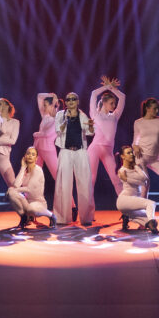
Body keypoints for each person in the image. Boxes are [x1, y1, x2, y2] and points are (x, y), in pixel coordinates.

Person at [54, 92, 95, 225]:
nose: (70, 101)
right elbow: (58, 130)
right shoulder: (60, 115)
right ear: (66, 102)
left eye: (73, 99)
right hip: (66, 151)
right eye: (68, 99)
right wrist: (66, 120)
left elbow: (90, 132)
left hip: (80, 151)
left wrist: (90, 126)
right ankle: (62, 217)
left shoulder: (82, 115)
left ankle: (86, 217)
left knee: (85, 183)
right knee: (63, 184)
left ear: (77, 101)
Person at [88, 76, 126, 196]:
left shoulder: (115, 116)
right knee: (91, 179)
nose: (114, 105)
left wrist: (112, 88)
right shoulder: (95, 114)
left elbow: (122, 97)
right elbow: (94, 94)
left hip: (108, 152)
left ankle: (126, 206)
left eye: (115, 103)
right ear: (103, 102)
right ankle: (87, 207)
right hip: (94, 149)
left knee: (116, 179)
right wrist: (106, 86)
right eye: (111, 103)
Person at [6, 147, 56, 228]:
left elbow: (29, 189)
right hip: (27, 201)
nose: (30, 156)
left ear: (36, 158)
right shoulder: (24, 170)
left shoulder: (38, 170)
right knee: (11, 192)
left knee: (30, 208)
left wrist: (14, 190)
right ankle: (24, 218)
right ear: (25, 156)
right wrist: (22, 168)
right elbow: (16, 185)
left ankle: (51, 216)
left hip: (38, 203)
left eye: (33, 154)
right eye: (28, 153)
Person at [116, 145, 157, 233]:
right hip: (124, 200)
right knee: (151, 203)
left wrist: (129, 176)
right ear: (122, 156)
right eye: (128, 153)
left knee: (148, 220)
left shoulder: (136, 168)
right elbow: (141, 182)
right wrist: (130, 179)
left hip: (133, 202)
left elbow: (145, 180)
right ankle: (150, 223)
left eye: (132, 152)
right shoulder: (122, 171)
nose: (132, 154)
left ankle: (127, 217)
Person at [33, 92, 60, 179]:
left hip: (47, 148)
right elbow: (39, 96)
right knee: (33, 173)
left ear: (52, 105)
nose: (43, 107)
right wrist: (51, 96)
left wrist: (36, 134)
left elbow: (47, 134)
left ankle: (66, 188)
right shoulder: (45, 115)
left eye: (45, 105)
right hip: (37, 147)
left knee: (57, 174)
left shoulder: (57, 119)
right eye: (43, 105)